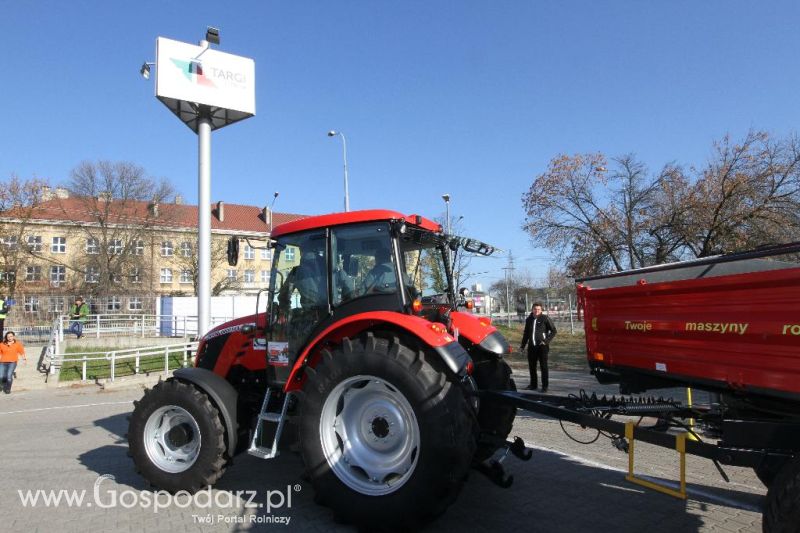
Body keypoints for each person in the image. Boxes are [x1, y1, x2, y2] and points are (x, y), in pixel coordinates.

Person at [520, 302, 557, 392]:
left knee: (543, 367)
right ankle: (533, 385)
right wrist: (522, 346)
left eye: (538, 309)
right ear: (532, 309)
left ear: (541, 310)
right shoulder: (529, 319)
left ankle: (545, 386)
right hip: (531, 347)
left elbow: (554, 331)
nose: (536, 311)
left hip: (542, 347)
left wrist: (546, 341)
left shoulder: (545, 318)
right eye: (535, 309)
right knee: (532, 367)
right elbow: (526, 334)